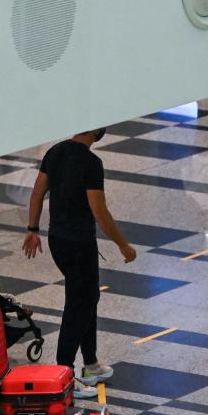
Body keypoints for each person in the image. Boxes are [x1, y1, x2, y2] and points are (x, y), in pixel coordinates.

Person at [23, 128, 137, 400]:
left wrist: (33, 228)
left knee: (88, 298)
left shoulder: (56, 151)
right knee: (78, 305)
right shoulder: (91, 163)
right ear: (97, 132)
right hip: (79, 244)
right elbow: (99, 210)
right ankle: (66, 374)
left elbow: (38, 193)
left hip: (57, 239)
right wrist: (123, 244)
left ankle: (91, 362)